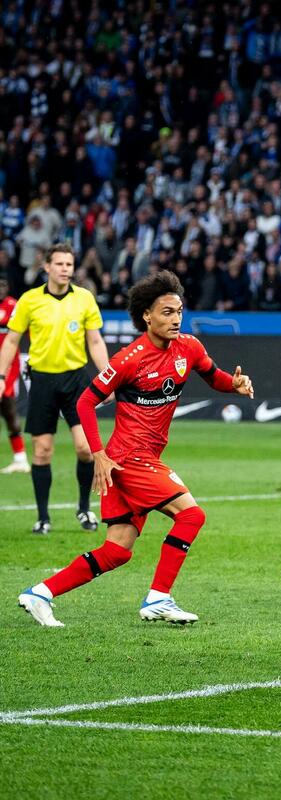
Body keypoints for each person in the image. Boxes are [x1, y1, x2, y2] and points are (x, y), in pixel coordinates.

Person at [16, 272, 255, 626]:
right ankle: (158, 597)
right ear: (147, 315)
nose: (175, 319)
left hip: (138, 459)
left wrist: (233, 385)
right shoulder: (130, 359)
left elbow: (213, 376)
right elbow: (85, 402)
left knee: (117, 551)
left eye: (179, 311)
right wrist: (98, 454)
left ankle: (40, 593)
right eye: (167, 312)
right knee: (191, 515)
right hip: (128, 458)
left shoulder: (189, 347)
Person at [0, 244, 108, 534]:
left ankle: (84, 509)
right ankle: (43, 518)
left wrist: (108, 376)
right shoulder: (30, 300)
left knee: (85, 449)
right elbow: (11, 341)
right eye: (59, 264)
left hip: (76, 381)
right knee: (42, 451)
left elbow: (95, 341)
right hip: (43, 381)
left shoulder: (84, 298)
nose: (64, 269)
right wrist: (0, 376)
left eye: (69, 264)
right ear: (47, 266)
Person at [0, 276, 30, 473]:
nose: (1, 289)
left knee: (8, 406)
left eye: (4, 285)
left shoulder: (14, 306)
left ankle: (21, 458)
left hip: (6, 366)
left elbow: (28, 331)